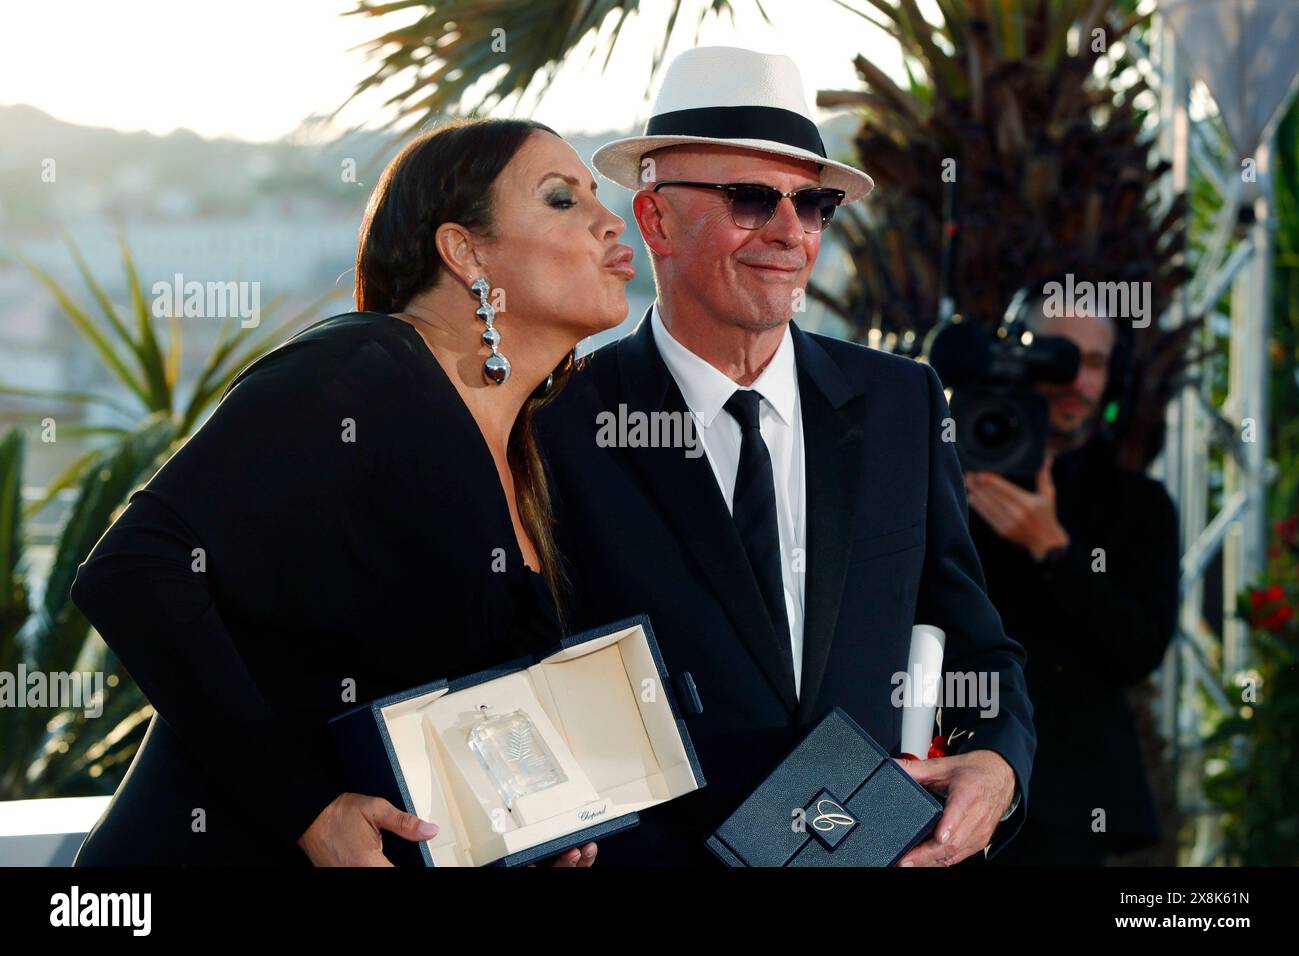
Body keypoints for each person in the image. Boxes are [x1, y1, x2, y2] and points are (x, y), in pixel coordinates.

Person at [69, 117, 632, 866]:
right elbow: (132, 571)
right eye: (562, 199)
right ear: (465, 251)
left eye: (597, 196)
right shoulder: (365, 369)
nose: (607, 220)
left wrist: (531, 829)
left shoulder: (529, 449)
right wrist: (306, 810)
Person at [535, 46, 1036, 867]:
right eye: (749, 198)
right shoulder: (560, 423)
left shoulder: (902, 404)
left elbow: (971, 637)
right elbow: (519, 669)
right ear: (655, 219)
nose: (789, 231)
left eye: (814, 204)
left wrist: (997, 759)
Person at [968, 297, 1180, 866]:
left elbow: (1137, 649)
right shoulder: (946, 473)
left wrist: (1052, 549)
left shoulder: (1139, 504)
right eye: (1058, 356)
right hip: (940, 780)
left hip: (1069, 807)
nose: (1075, 379)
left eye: (1093, 361)